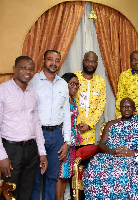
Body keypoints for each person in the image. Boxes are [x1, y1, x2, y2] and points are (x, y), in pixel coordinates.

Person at [82, 98, 138, 199]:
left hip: (133, 159)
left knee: (122, 172)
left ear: (134, 109)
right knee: (93, 168)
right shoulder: (111, 124)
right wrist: (111, 151)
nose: (126, 109)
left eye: (129, 107)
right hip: (111, 156)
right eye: (124, 107)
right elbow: (101, 144)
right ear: (120, 109)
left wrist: (133, 153)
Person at [0, 56, 47, 199]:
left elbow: (37, 124)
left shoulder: (33, 94)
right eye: (23, 67)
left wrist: (42, 152)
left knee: (26, 192)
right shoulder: (3, 91)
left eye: (31, 69)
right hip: (11, 150)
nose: (27, 71)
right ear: (14, 69)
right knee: (8, 192)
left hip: (31, 151)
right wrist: (2, 156)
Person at [30, 50, 72, 200]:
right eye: (50, 59)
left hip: (57, 136)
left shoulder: (62, 84)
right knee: (35, 179)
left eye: (57, 60)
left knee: (52, 178)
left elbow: (67, 113)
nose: (53, 63)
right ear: (44, 60)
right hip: (36, 134)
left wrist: (67, 142)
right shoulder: (33, 81)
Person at [56, 73, 83, 200]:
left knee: (65, 174)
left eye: (77, 84)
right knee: (59, 174)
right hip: (63, 141)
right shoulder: (62, 100)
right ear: (64, 84)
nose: (75, 86)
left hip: (72, 142)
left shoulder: (73, 99)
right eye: (72, 83)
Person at [74, 51, 106, 147]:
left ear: (97, 63)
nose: (90, 64)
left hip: (90, 133)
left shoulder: (100, 82)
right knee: (71, 160)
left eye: (93, 61)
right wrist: (77, 123)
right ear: (83, 62)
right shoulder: (74, 78)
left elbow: (101, 106)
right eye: (88, 61)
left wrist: (89, 124)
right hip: (73, 129)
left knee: (87, 159)